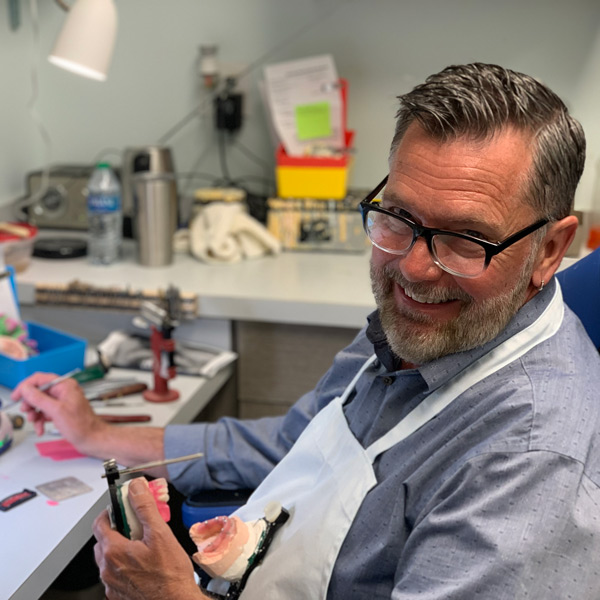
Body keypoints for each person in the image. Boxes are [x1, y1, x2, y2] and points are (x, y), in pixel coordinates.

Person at [13, 62, 600, 600]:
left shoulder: (528, 466)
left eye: (465, 240)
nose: (415, 271)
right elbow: (293, 441)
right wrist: (100, 436)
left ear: (549, 250)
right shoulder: (425, 329)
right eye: (398, 218)